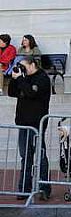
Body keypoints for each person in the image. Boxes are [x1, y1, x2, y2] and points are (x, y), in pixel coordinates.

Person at [8, 57, 52, 200]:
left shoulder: (42, 78)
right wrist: (15, 79)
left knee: (40, 157)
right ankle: (24, 189)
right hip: (24, 123)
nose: (21, 69)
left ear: (33, 65)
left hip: (37, 124)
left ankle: (44, 188)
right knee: (25, 157)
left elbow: (32, 93)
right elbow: (12, 92)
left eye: (23, 66)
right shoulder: (24, 79)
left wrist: (21, 79)